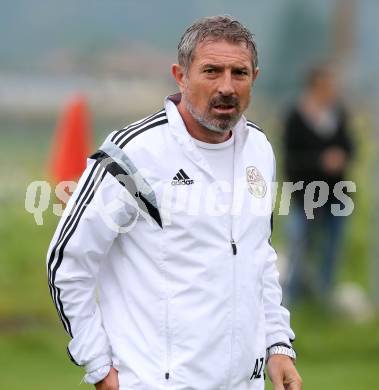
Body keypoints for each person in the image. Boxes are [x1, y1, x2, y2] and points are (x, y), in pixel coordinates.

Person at [47, 15, 302, 390]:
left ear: (255, 78)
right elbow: (67, 263)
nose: (227, 87)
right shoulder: (132, 154)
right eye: (211, 71)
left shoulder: (259, 149)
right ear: (180, 76)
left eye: (239, 73)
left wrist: (277, 344)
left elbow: (257, 257)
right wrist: (98, 366)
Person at [283, 64, 355, 305]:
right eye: (328, 85)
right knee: (299, 245)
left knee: (332, 248)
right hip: (303, 194)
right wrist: (320, 160)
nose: (333, 90)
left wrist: (341, 157)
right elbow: (290, 157)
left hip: (337, 194)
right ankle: (291, 298)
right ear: (315, 86)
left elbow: (350, 147)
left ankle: (324, 296)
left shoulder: (338, 114)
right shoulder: (295, 116)